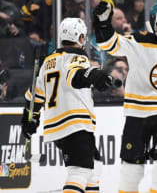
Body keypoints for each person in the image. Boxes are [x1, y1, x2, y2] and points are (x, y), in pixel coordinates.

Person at [93, 2, 157, 193]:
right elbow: (108, 45)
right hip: (137, 113)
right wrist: (102, 24)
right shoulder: (139, 40)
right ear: (155, 25)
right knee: (131, 171)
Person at [20, 17, 113, 193]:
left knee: (94, 168)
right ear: (79, 38)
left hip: (57, 127)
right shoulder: (76, 57)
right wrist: (95, 75)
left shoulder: (48, 62)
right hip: (74, 124)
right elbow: (75, 76)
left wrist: (29, 119)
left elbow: (34, 96)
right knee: (80, 172)